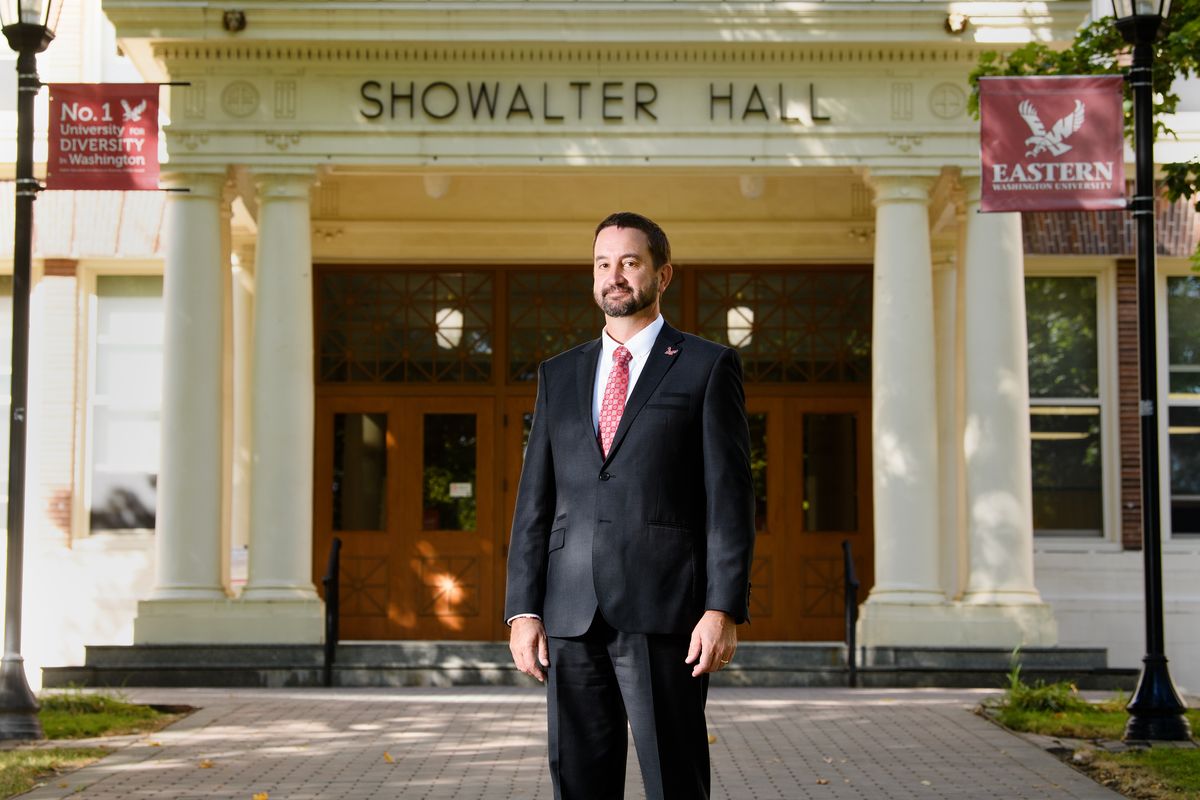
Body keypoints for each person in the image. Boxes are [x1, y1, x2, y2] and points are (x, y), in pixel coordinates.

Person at [505, 211, 755, 800]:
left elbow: (731, 499)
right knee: (580, 783)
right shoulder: (558, 375)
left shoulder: (705, 366)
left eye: (630, 262)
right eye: (602, 264)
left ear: (662, 274)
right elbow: (534, 501)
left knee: (675, 780)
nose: (614, 276)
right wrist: (522, 610)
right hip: (569, 614)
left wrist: (723, 608)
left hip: (667, 612)